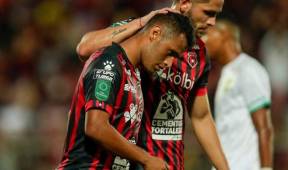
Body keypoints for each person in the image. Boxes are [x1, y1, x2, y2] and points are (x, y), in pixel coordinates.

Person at [76, 0, 229, 170]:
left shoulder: (199, 53)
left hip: (169, 163)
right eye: (209, 13)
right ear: (185, 3)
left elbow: (201, 116)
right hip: (132, 160)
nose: (212, 22)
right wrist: (142, 22)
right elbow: (85, 49)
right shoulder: (142, 31)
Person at [57, 12, 195, 170]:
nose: (169, 63)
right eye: (170, 53)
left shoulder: (134, 74)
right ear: (155, 33)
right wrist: (146, 159)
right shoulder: (108, 62)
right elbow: (96, 127)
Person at [203, 20, 274, 170]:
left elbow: (264, 127)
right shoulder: (228, 72)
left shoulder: (248, 69)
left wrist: (266, 168)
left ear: (224, 35)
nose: (203, 40)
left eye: (207, 34)